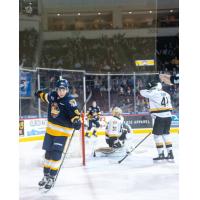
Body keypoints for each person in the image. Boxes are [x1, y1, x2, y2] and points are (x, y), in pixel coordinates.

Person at [35, 79, 81, 190]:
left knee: (56, 155)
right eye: (59, 89)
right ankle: (45, 176)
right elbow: (45, 97)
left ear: (67, 89)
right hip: (50, 132)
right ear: (57, 89)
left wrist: (76, 121)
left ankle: (52, 177)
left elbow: (75, 114)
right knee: (48, 155)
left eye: (63, 89)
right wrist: (39, 93)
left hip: (62, 133)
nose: (61, 91)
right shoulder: (53, 96)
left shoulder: (70, 101)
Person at [140, 81, 174, 161]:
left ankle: (161, 154)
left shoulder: (153, 93)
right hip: (168, 116)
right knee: (166, 135)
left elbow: (142, 92)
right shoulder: (166, 94)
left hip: (160, 117)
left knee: (157, 136)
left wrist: (148, 88)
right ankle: (170, 153)